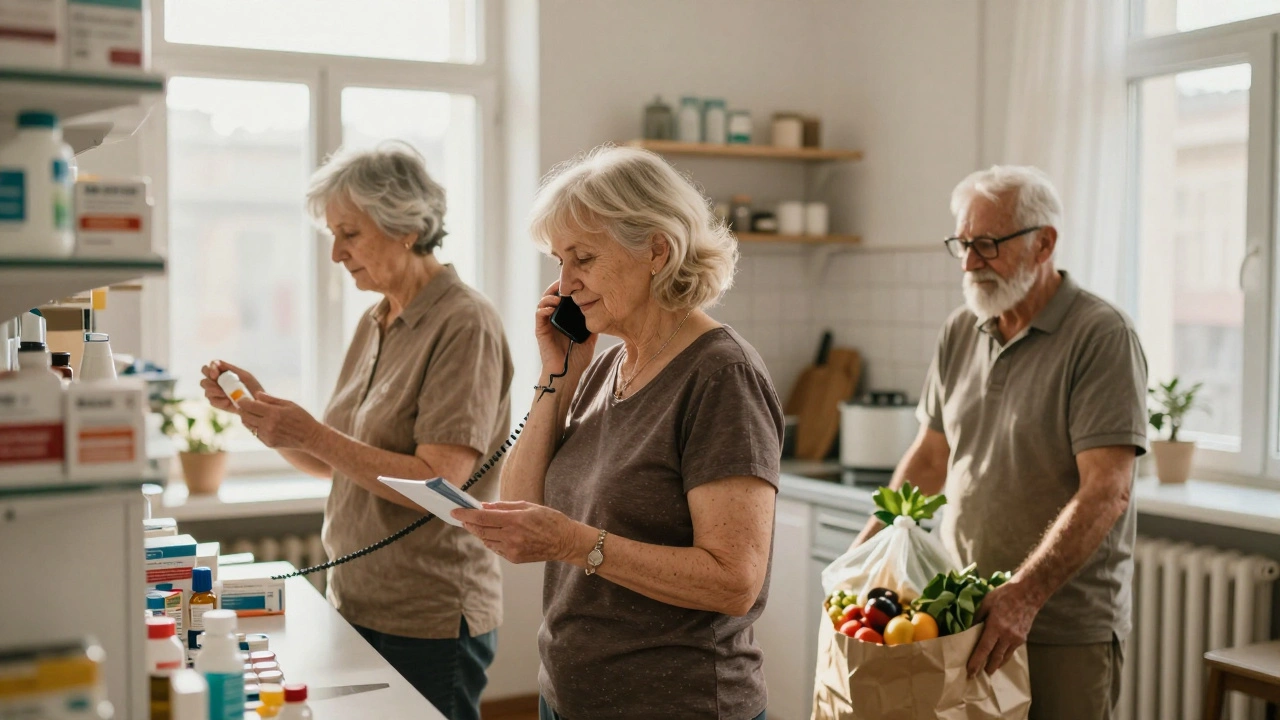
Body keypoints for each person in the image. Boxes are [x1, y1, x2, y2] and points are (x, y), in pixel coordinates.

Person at [452, 145, 783, 720]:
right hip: (569, 698)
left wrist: (575, 543)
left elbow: (735, 582)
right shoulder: (606, 364)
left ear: (657, 249)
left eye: (583, 258)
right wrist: (559, 373)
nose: (565, 282)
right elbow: (520, 505)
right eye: (558, 260)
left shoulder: (721, 375)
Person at [200, 143, 513, 720]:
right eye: (332, 237)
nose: (338, 254)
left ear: (405, 228)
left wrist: (312, 434)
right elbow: (335, 461)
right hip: (357, 598)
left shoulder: (464, 322)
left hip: (427, 614)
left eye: (350, 234)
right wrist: (265, 417)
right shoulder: (378, 320)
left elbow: (440, 482)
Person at [848, 165, 1147, 720]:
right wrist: (865, 552)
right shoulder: (962, 328)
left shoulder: (1102, 336)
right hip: (961, 614)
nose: (968, 263)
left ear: (1044, 244)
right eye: (962, 244)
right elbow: (930, 458)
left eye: (986, 244)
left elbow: (1107, 490)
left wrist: (1025, 596)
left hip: (1062, 624)